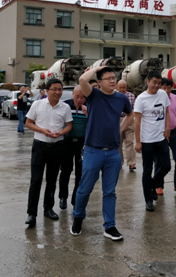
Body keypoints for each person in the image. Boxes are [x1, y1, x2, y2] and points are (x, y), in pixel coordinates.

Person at [71, 67, 134, 241]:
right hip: (93, 151)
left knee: (110, 192)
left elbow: (130, 114)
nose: (112, 81)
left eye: (114, 77)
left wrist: (120, 129)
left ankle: (110, 226)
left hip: (113, 153)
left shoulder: (121, 98)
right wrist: (98, 68)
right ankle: (78, 217)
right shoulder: (93, 95)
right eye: (107, 78)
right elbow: (82, 80)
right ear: (99, 82)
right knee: (85, 189)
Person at [24, 79, 73, 226]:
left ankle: (48, 208)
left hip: (57, 146)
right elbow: (28, 123)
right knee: (36, 180)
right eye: (54, 89)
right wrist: (42, 130)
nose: (57, 92)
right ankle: (31, 213)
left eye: (60, 89)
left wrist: (60, 133)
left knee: (52, 179)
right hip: (40, 146)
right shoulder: (37, 104)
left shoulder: (65, 107)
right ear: (47, 90)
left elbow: (69, 125)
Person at [134, 71, 171, 212]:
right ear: (148, 81)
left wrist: (167, 129)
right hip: (147, 140)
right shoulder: (141, 99)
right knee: (147, 170)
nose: (157, 85)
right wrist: (138, 141)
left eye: (159, 83)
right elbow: (137, 122)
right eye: (154, 82)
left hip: (161, 138)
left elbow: (166, 112)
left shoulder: (162, 94)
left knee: (166, 166)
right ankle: (148, 200)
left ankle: (152, 184)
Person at [155, 78, 176, 195]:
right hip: (160, 133)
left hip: (174, 132)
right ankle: (159, 185)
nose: (167, 90)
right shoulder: (156, 98)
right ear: (160, 88)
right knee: (160, 161)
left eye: (169, 88)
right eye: (164, 88)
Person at [59, 86, 88, 210]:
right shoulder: (65, 106)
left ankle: (76, 200)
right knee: (65, 171)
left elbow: (93, 124)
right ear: (73, 95)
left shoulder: (89, 107)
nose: (80, 100)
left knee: (80, 173)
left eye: (82, 97)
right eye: (77, 97)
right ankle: (63, 197)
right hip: (66, 142)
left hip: (82, 144)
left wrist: (88, 114)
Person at [116, 80, 137, 171]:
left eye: (124, 87)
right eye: (120, 87)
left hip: (129, 119)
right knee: (118, 143)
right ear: (117, 87)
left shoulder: (131, 96)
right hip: (117, 120)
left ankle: (131, 163)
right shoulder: (114, 95)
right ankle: (119, 162)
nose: (122, 89)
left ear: (126, 87)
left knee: (129, 141)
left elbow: (134, 109)